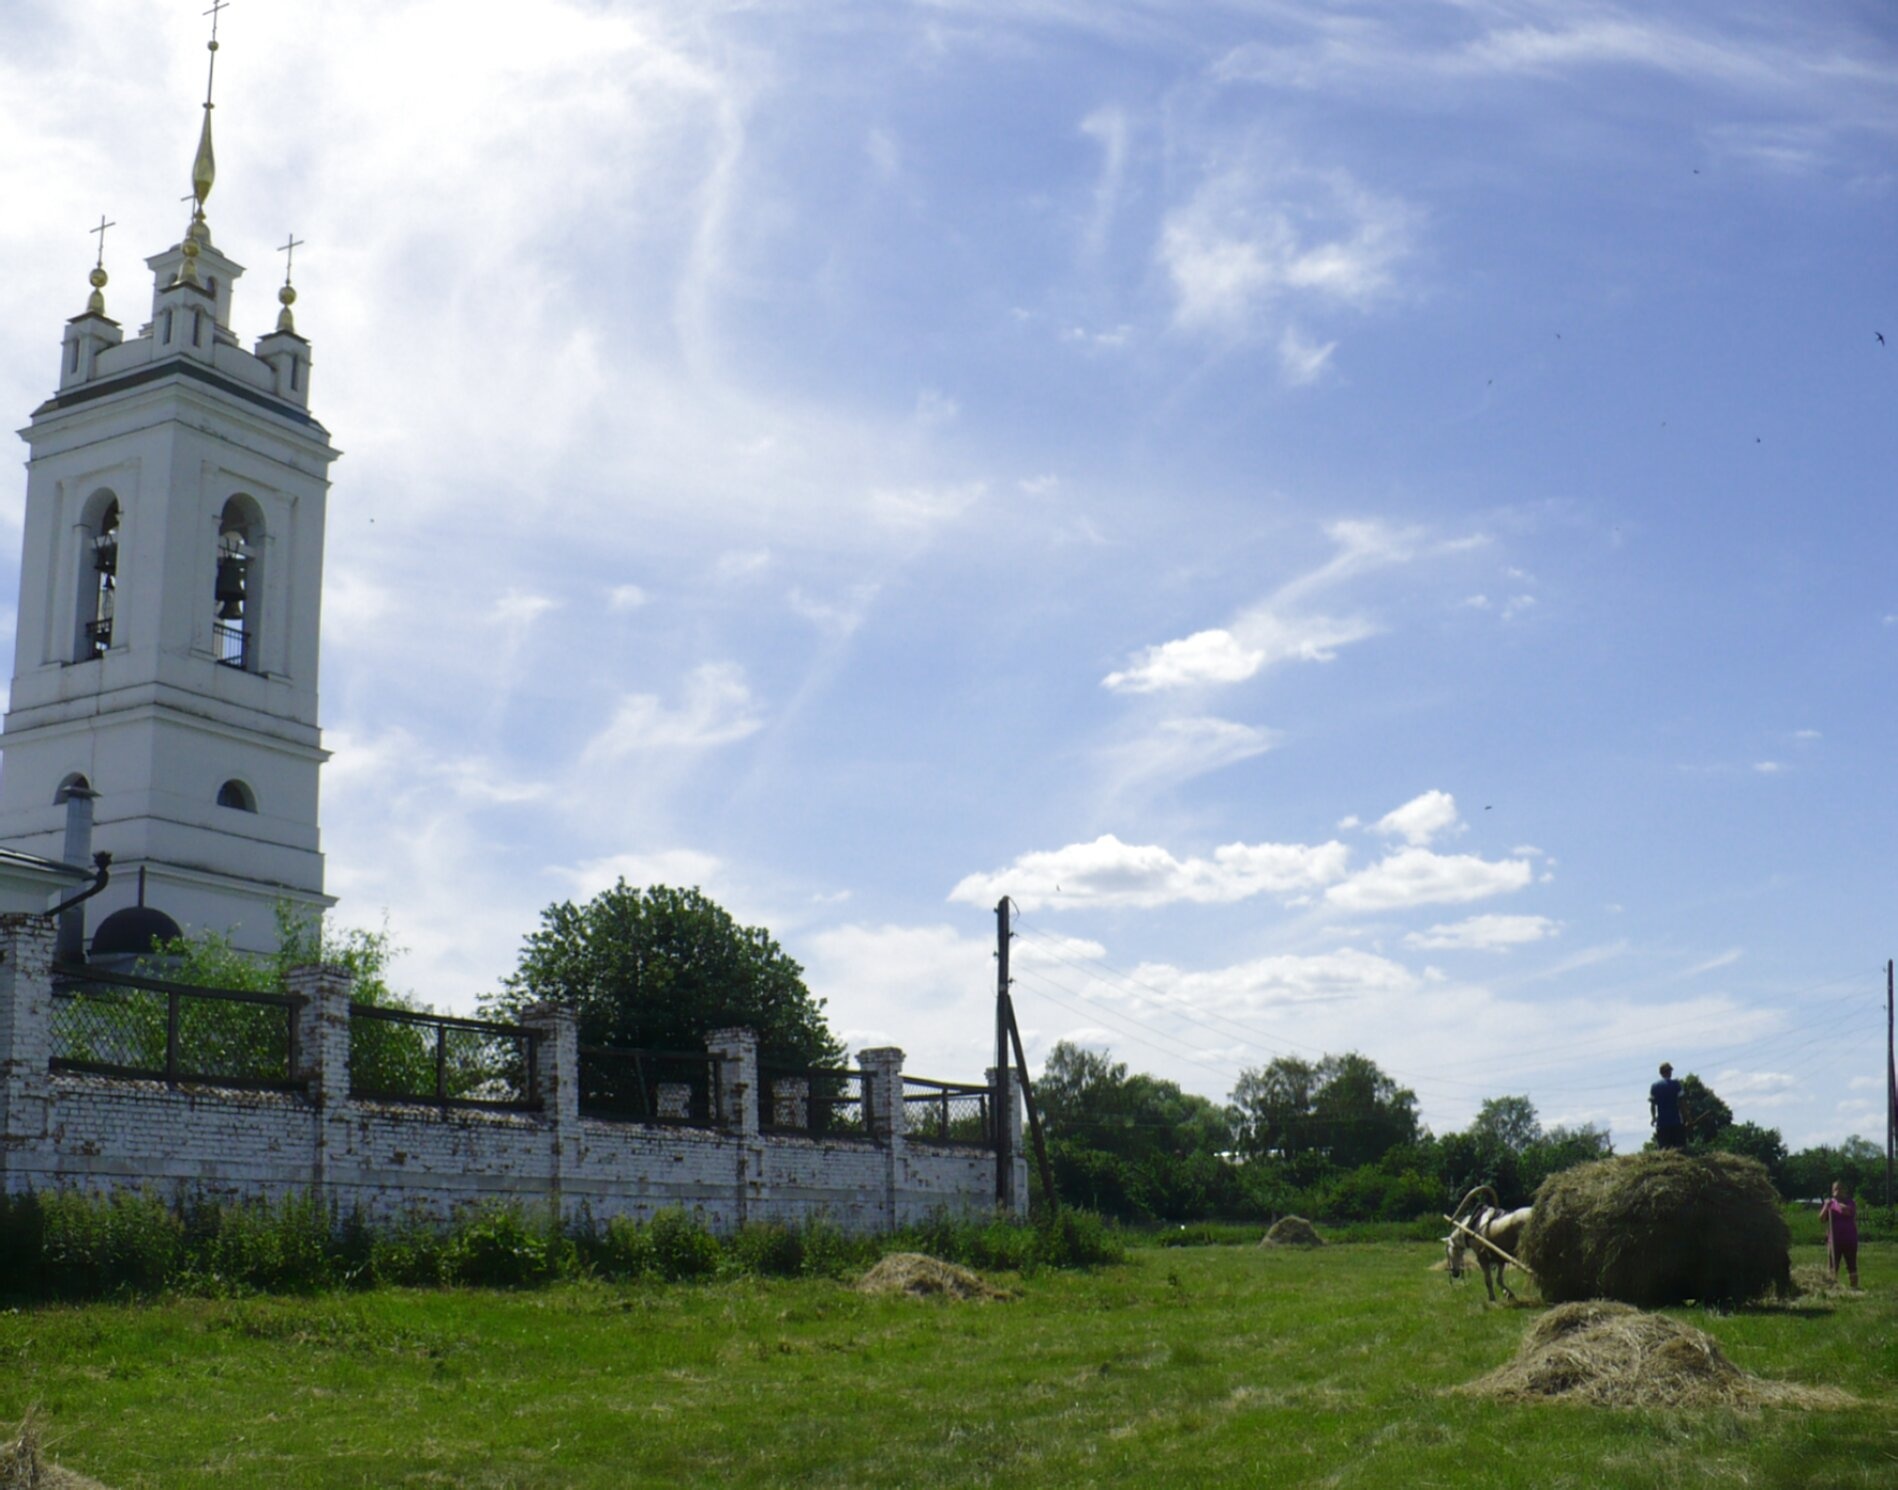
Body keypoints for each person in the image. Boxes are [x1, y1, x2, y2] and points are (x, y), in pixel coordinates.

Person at [1819, 1180, 1860, 1289]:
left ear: (1844, 1191)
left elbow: (1845, 1211)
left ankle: (1854, 1287)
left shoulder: (1850, 1202)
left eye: (1840, 1189)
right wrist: (1826, 1206)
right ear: (1832, 1191)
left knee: (1851, 1265)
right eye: (1836, 1189)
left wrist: (1834, 1203)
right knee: (1833, 1265)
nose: (1838, 1191)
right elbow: (1822, 1218)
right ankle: (1832, 1287)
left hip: (1849, 1239)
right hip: (1834, 1240)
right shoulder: (1829, 1204)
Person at [1649, 1061, 1686, 1150]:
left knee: (1664, 1150)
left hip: (1662, 1124)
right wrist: (1686, 1117)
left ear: (1661, 1073)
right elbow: (1682, 1103)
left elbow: (1653, 1105)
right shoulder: (1676, 1084)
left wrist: (1653, 1118)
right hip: (1676, 1122)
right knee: (1680, 1149)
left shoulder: (1654, 1086)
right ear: (1669, 1072)